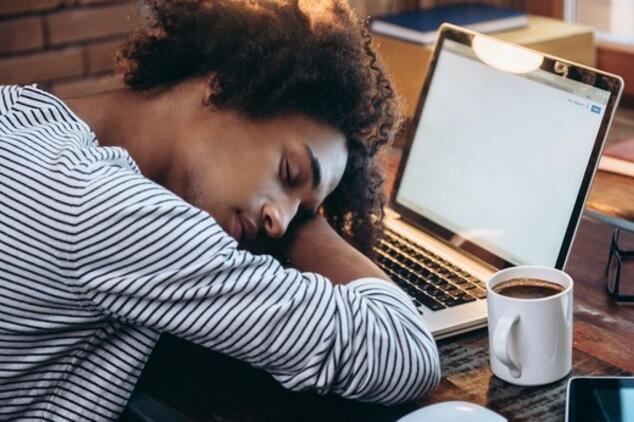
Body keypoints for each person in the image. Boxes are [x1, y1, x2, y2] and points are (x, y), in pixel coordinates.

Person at [0, 0, 440, 419]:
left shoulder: (23, 115)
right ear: (224, 87)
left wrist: (293, 201)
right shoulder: (111, 210)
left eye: (300, 212)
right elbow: (404, 352)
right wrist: (306, 229)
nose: (279, 223)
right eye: (289, 172)